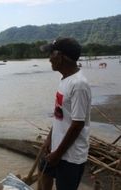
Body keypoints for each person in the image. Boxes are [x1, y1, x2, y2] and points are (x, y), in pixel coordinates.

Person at [38, 37, 92, 190]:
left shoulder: (79, 85)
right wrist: (49, 139)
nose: (49, 59)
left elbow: (77, 124)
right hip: (57, 149)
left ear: (61, 56)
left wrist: (57, 154)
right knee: (43, 173)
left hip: (70, 156)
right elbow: (59, 115)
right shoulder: (65, 80)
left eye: (51, 54)